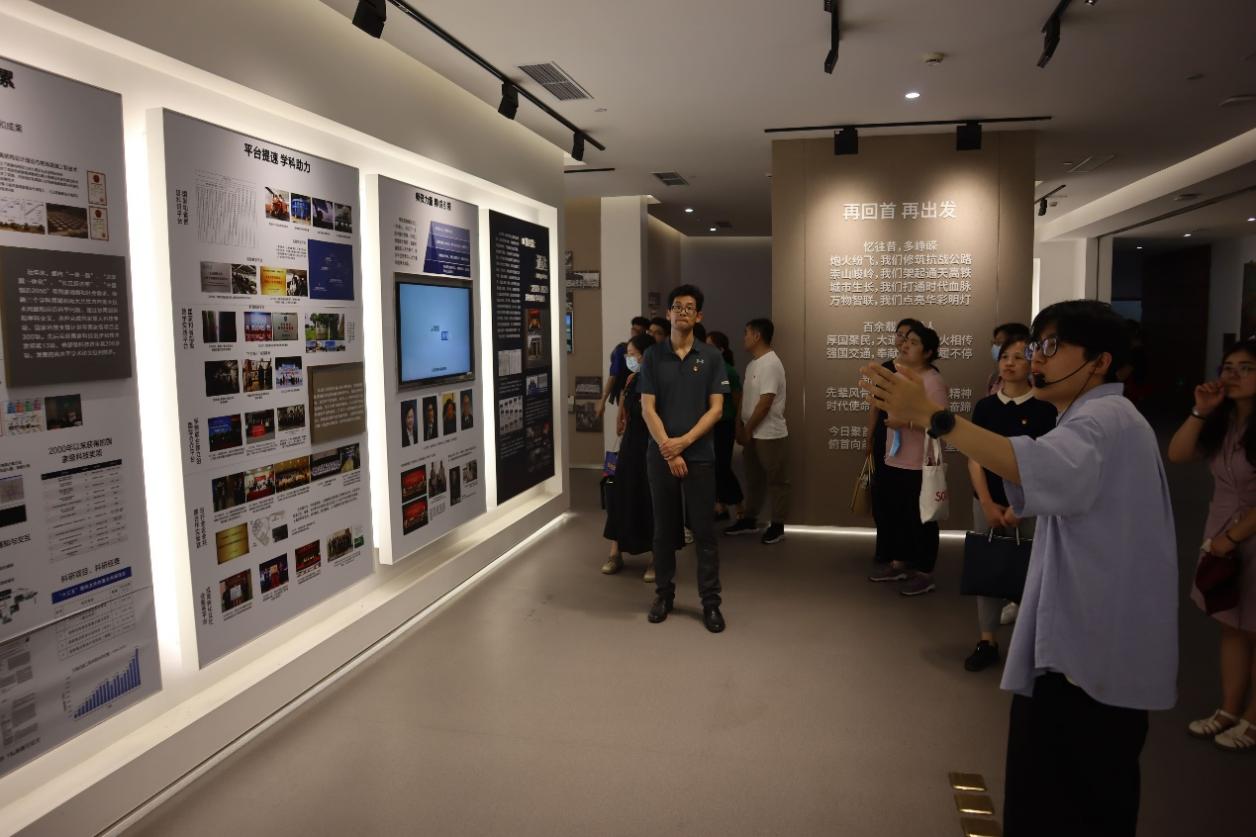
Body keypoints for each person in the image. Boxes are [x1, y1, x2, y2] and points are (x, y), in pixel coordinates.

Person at [862, 299, 1177, 837]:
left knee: (1068, 800)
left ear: (1100, 361)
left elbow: (1026, 463)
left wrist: (935, 417)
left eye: (1051, 346)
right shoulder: (1098, 418)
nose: (1036, 358)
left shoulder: (1103, 420)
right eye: (1034, 346)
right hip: (1085, 644)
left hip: (1089, 657)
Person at [1168, 339, 1256, 752]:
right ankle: (1229, 709)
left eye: (1246, 368)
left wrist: (1231, 537)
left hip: (1242, 535)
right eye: (1228, 367)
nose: (1233, 375)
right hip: (1221, 533)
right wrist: (1200, 410)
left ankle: (1253, 717)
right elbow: (1178, 452)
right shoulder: (1224, 421)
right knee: (1231, 624)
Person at [638, 284, 729, 633]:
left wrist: (684, 443)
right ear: (669, 313)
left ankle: (711, 603)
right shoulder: (652, 356)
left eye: (689, 307)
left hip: (699, 455)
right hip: (661, 455)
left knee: (704, 531)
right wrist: (668, 447)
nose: (682, 312)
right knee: (663, 530)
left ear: (699, 315)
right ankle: (664, 595)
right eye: (677, 307)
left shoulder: (711, 357)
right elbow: (647, 408)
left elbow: (716, 410)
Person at [963, 334, 1056, 672]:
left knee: (1032, 571)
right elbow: (975, 458)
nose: (1010, 363)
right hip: (987, 502)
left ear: (1033, 362)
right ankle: (987, 639)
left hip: (1030, 505)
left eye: (1019, 357)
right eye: (1005, 356)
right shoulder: (986, 407)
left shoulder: (1045, 408)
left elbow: (1047, 462)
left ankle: (1031, 645)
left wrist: (1023, 505)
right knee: (987, 569)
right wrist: (987, 503)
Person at [867, 323, 947, 595]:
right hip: (894, 456)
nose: (905, 345)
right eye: (904, 341)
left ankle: (925, 572)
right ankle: (899, 562)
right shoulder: (898, 377)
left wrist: (906, 423)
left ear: (928, 352)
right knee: (896, 512)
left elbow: (940, 424)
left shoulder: (932, 381)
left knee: (922, 518)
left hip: (919, 461)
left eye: (913, 343)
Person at [602, 334, 682, 581]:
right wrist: (621, 418)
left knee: (652, 501)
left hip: (653, 446)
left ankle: (657, 558)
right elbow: (626, 409)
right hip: (630, 447)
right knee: (622, 495)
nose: (629, 358)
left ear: (646, 355)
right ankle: (615, 552)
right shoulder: (632, 379)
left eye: (632, 354)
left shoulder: (662, 379)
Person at [725, 318, 790, 545]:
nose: (743, 337)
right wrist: (739, 425)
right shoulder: (753, 364)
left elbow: (765, 402)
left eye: (746, 333)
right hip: (751, 432)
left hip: (769, 434)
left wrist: (747, 429)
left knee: (777, 480)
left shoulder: (771, 364)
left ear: (757, 336)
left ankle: (778, 525)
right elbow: (745, 398)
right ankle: (750, 519)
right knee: (754, 479)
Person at [865, 318, 921, 563]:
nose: (903, 341)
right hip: (883, 436)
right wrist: (869, 437)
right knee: (883, 495)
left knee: (907, 499)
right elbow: (875, 407)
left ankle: (908, 553)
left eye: (909, 337)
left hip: (913, 441)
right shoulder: (886, 368)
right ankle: (886, 550)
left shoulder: (925, 373)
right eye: (899, 335)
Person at [706, 331, 744, 523]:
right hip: (710, 425)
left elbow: (738, 402)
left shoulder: (729, 371)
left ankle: (739, 506)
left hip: (725, 424)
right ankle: (720, 507)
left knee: (722, 466)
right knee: (712, 466)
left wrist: (738, 426)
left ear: (720, 349)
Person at [597, 316, 650, 420]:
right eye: (634, 330)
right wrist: (603, 401)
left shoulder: (649, 350)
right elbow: (613, 375)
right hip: (625, 393)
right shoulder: (622, 349)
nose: (635, 333)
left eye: (640, 331)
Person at [987, 322, 1029, 395]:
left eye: (1000, 343)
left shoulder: (1033, 383)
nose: (1009, 363)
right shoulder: (994, 377)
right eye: (994, 343)